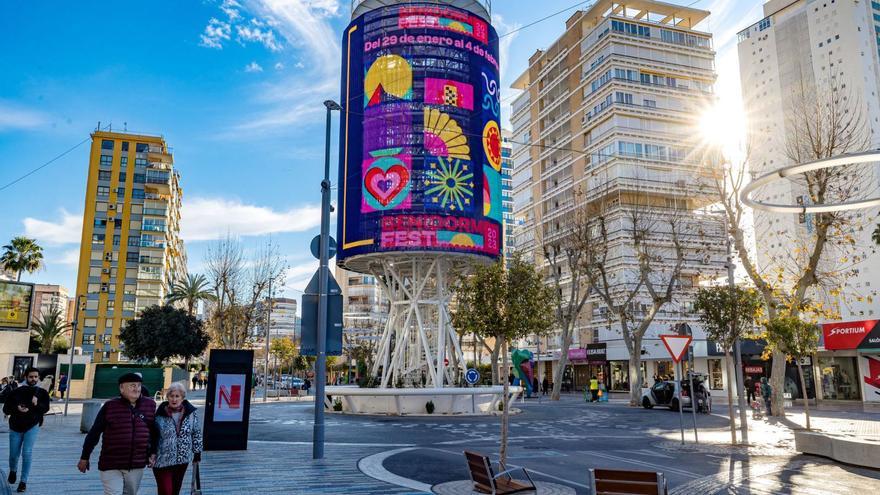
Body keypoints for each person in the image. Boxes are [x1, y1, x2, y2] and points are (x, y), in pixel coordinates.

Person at [78, 373, 158, 495]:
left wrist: (153, 452)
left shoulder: (150, 405)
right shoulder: (110, 406)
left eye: (138, 385)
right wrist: (85, 457)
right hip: (111, 463)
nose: (136, 388)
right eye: (132, 385)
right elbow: (94, 432)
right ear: (121, 388)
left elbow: (154, 431)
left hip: (136, 464)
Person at [4, 367, 50, 493]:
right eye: (31, 377)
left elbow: (45, 408)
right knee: (13, 455)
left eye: (36, 377)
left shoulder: (41, 393)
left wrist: (37, 404)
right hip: (15, 426)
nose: (33, 379)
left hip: (32, 426)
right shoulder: (16, 392)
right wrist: (17, 409)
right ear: (26, 377)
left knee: (27, 453)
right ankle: (13, 470)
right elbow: (6, 409)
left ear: (38, 378)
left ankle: (23, 481)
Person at [153, 382, 202, 495]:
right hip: (162, 460)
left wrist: (197, 452)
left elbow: (196, 433)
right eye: (171, 396)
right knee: (166, 491)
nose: (174, 399)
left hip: (182, 459)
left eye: (177, 396)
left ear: (182, 398)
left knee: (175, 491)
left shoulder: (191, 413)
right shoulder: (159, 414)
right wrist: (151, 453)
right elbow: (153, 435)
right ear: (167, 397)